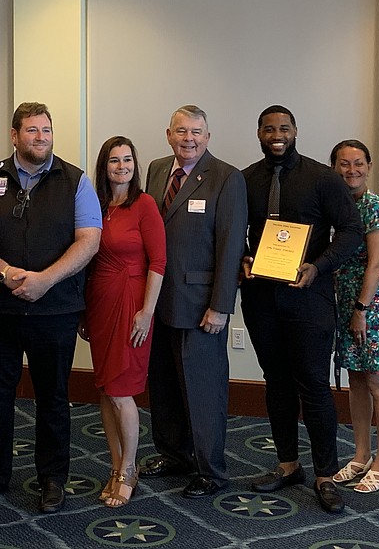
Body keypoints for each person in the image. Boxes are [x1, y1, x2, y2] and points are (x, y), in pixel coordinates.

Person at [0, 102, 102, 514]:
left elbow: (88, 240)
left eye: (46, 130)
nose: (40, 137)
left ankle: (52, 479)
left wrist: (46, 280)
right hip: (0, 311)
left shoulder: (75, 181)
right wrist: (5, 272)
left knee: (53, 398)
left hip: (55, 309)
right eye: (31, 130)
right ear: (14, 135)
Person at [238, 108, 363, 515]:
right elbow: (233, 231)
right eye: (269, 128)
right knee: (275, 381)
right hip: (261, 298)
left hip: (309, 298)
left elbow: (350, 231)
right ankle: (288, 464)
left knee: (313, 384)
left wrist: (318, 266)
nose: (277, 135)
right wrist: (242, 257)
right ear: (259, 132)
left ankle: (325, 474)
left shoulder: (322, 178)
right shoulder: (246, 179)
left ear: (295, 132)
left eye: (284, 128)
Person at [139, 105, 246, 499]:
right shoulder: (154, 169)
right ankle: (173, 454)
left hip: (201, 305)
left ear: (208, 136)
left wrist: (221, 306)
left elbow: (230, 246)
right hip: (157, 301)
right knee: (164, 386)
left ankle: (210, 470)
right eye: (181, 131)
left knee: (203, 391)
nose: (189, 139)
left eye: (197, 132)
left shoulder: (226, 178)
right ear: (168, 134)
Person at [81, 136, 166, 507]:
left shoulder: (144, 205)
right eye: (114, 160)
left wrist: (147, 312)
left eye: (128, 159)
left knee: (121, 389)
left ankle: (130, 468)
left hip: (132, 302)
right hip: (99, 302)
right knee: (105, 388)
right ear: (105, 166)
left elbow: (159, 263)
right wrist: (84, 312)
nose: (122, 166)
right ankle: (116, 467)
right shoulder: (97, 205)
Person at [328, 139, 379, 496]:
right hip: (346, 304)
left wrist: (361, 310)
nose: (351, 170)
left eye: (358, 163)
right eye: (344, 164)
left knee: (377, 383)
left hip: (372, 307)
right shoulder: (336, 206)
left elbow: (376, 263)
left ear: (369, 167)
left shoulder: (374, 207)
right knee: (356, 380)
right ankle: (360, 455)